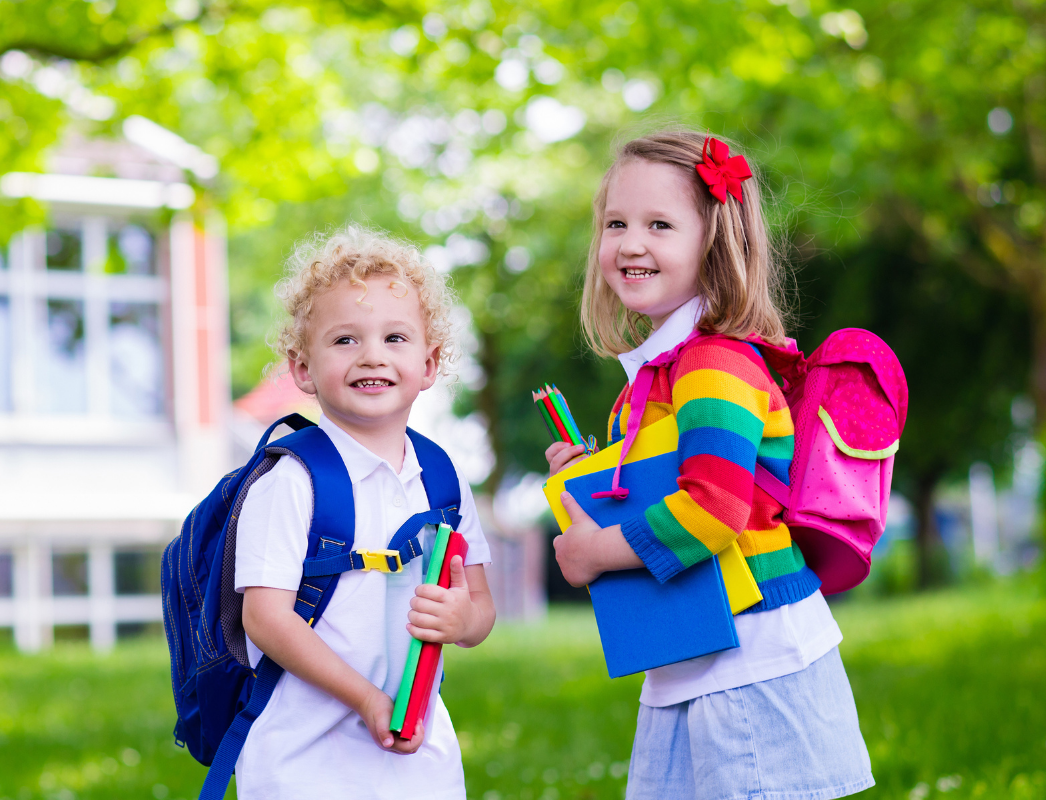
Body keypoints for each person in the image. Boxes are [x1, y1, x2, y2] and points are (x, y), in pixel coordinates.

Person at [546, 130, 874, 800]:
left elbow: (716, 509)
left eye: (659, 224)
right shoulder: (659, 375)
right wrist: (597, 472)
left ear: (714, 242)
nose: (631, 243)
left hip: (751, 662)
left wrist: (596, 552)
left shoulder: (713, 364)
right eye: (616, 223)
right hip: (695, 654)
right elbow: (673, 477)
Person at [234, 227, 495, 798]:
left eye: (395, 338)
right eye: (345, 340)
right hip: (303, 765)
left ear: (429, 364)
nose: (372, 355)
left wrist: (461, 622)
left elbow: (479, 609)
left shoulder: (443, 480)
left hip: (420, 762)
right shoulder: (289, 482)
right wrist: (366, 699)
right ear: (302, 368)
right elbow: (265, 618)